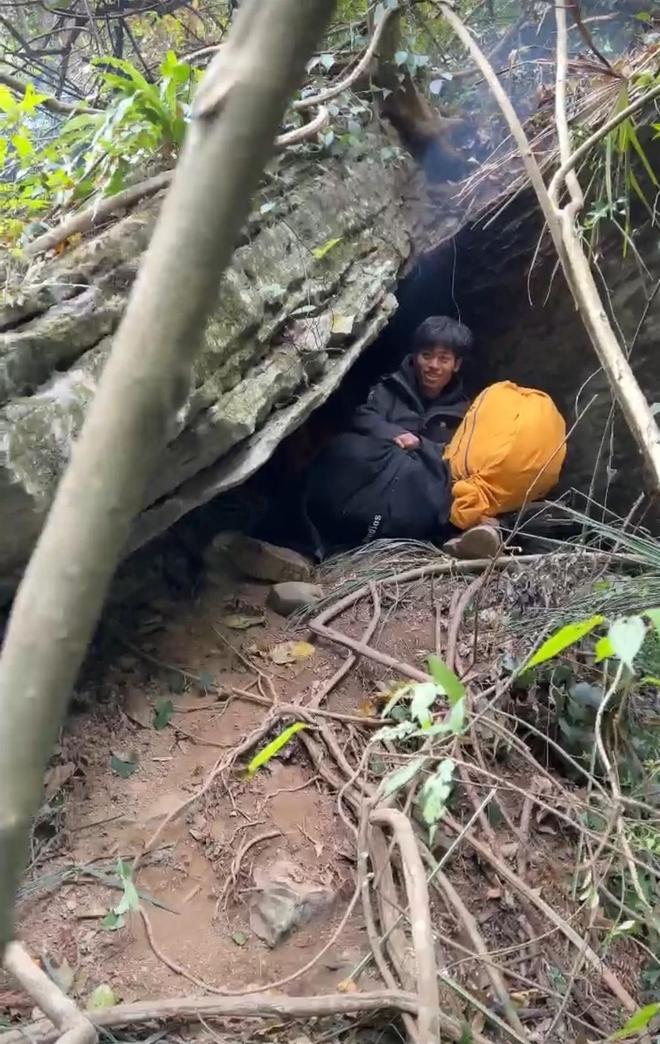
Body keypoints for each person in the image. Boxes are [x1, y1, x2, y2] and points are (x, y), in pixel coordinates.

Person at [302, 315, 494, 557]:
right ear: (415, 356)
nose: (433, 365)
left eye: (443, 359)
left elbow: (460, 456)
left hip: (417, 497)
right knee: (346, 450)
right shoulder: (390, 388)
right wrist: (394, 434)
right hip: (369, 483)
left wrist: (421, 445)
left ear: (456, 365)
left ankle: (463, 540)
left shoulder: (465, 412)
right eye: (426, 355)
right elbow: (363, 417)